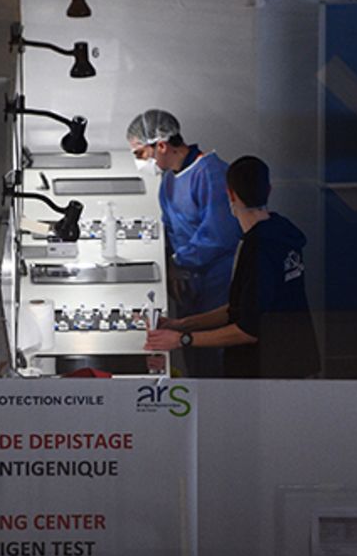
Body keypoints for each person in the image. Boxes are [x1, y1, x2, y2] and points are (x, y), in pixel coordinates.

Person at [145, 155, 320, 379]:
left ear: (230, 194)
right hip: (293, 360)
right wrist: (180, 324)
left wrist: (182, 340)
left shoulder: (259, 249)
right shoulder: (281, 233)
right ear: (269, 190)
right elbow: (240, 308)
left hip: (269, 371)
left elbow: (247, 330)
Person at [127, 109, 241, 377]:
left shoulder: (212, 174)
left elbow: (218, 234)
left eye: (140, 153)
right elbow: (171, 226)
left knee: (216, 356)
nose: (140, 161)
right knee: (194, 355)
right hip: (188, 283)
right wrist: (171, 265)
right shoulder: (169, 179)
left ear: (162, 145)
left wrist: (178, 263)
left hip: (216, 282)